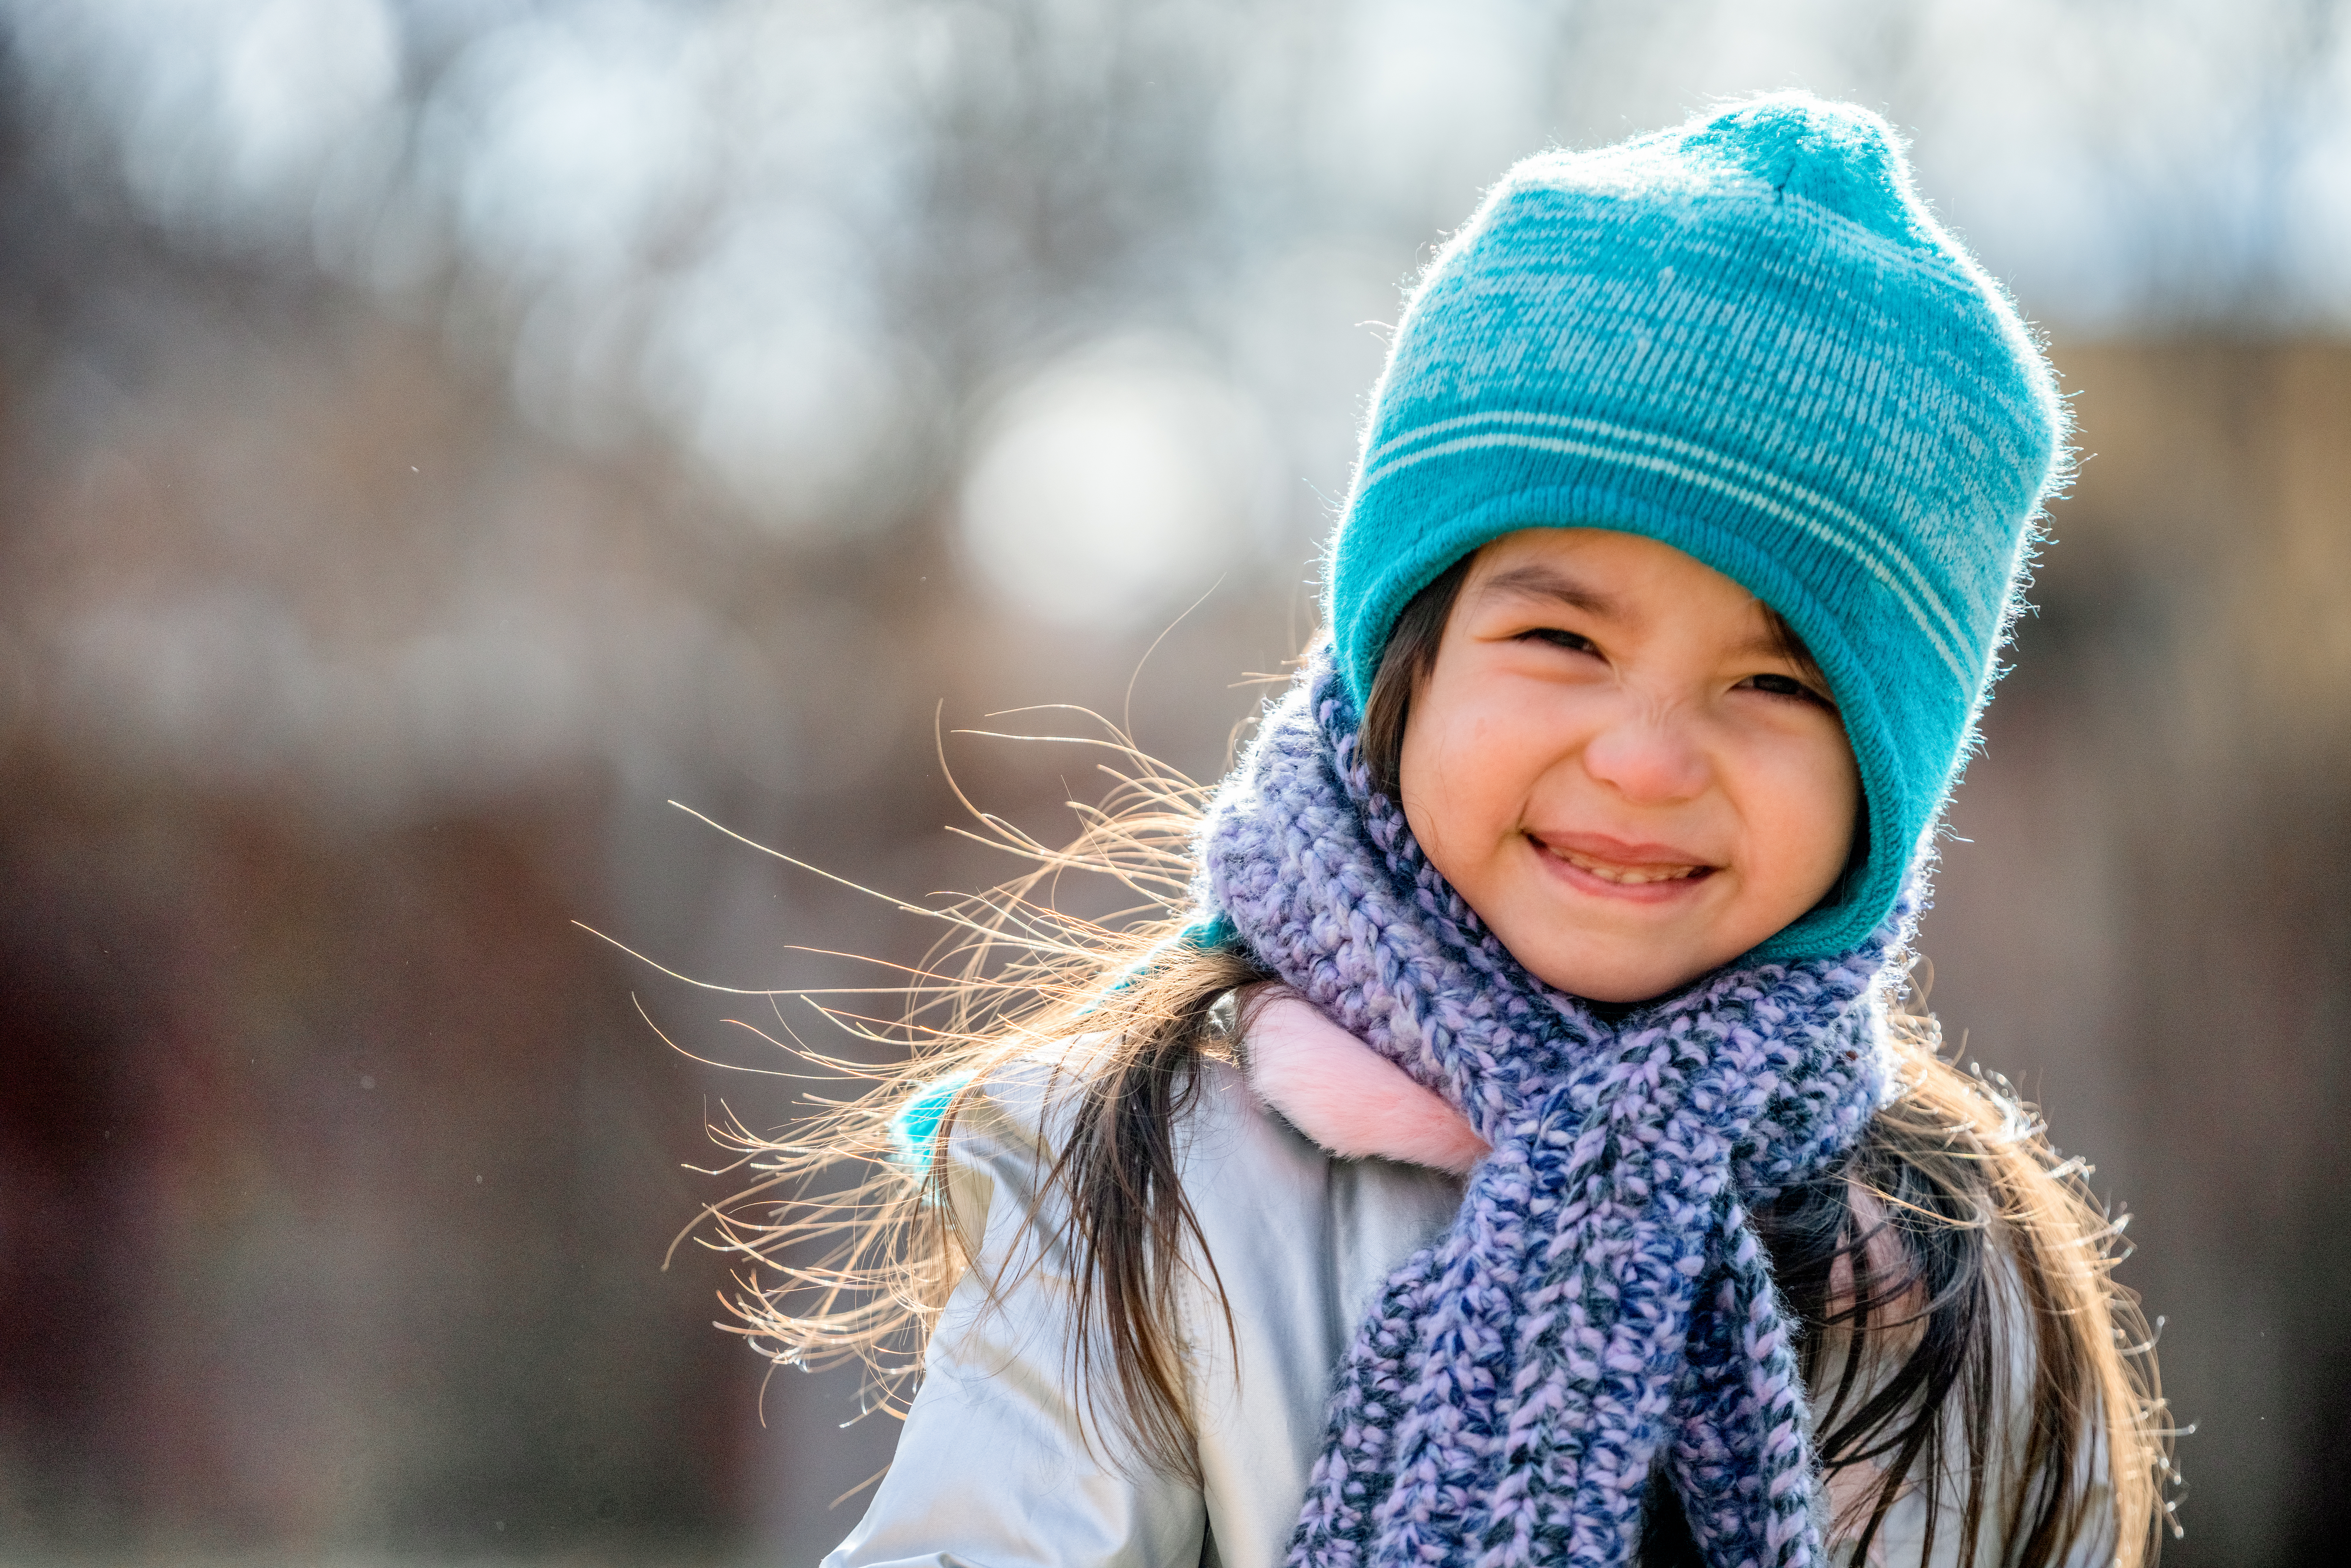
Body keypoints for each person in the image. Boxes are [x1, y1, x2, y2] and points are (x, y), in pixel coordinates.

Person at [723, 93, 2172, 1567]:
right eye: (1559, 640)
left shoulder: (1951, 1283)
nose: (1645, 757)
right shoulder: (1149, 1186)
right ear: (1398, 665)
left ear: (1887, 784)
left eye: (1772, 685)